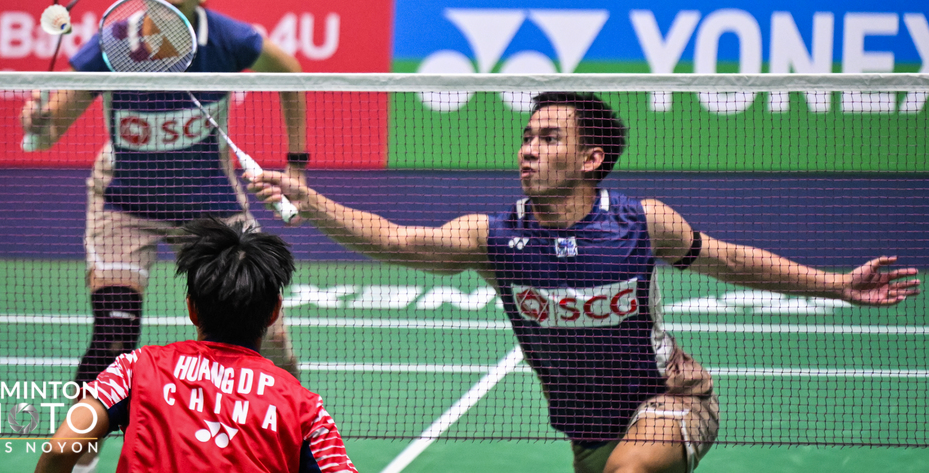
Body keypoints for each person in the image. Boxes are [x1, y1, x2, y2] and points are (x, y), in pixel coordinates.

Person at [247, 92, 920, 473]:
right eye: (526, 137)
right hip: (588, 427)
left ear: (591, 158)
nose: (528, 150)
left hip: (673, 400)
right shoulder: (495, 239)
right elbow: (393, 241)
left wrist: (837, 286)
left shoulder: (641, 223)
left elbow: (733, 261)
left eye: (548, 139)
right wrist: (308, 200)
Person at [20, 0, 307, 469]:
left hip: (208, 200)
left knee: (269, 341)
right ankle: (77, 456)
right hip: (124, 201)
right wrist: (38, 122)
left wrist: (298, 162)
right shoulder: (113, 45)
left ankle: (294, 432)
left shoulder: (227, 39)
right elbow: (50, 129)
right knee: (114, 334)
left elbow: (291, 74)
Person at [35, 217, 357, 473]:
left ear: (191, 307)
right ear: (274, 312)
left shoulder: (136, 369)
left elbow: (61, 449)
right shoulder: (304, 407)